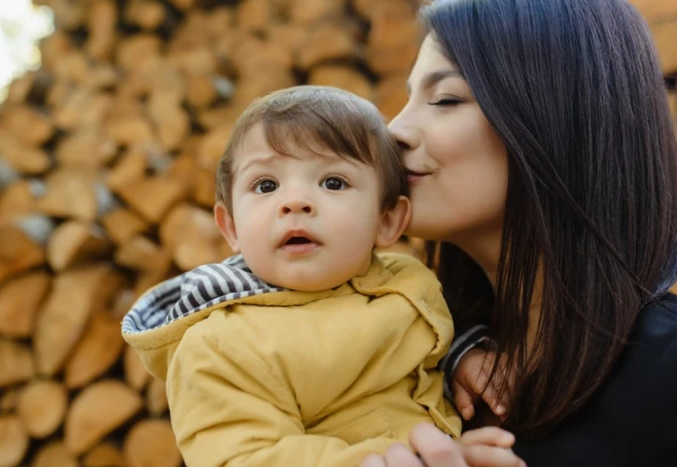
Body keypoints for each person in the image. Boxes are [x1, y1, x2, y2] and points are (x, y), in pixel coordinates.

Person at [121, 85, 524, 467]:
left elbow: (428, 345)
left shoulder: (407, 281)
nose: (295, 202)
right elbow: (247, 458)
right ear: (231, 229)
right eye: (266, 185)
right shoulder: (219, 346)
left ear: (387, 221)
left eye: (333, 182)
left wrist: (461, 361)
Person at [361, 0, 677, 466]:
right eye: (408, 99)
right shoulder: (418, 352)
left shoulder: (665, 370)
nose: (395, 129)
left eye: (446, 99)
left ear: (563, 117)